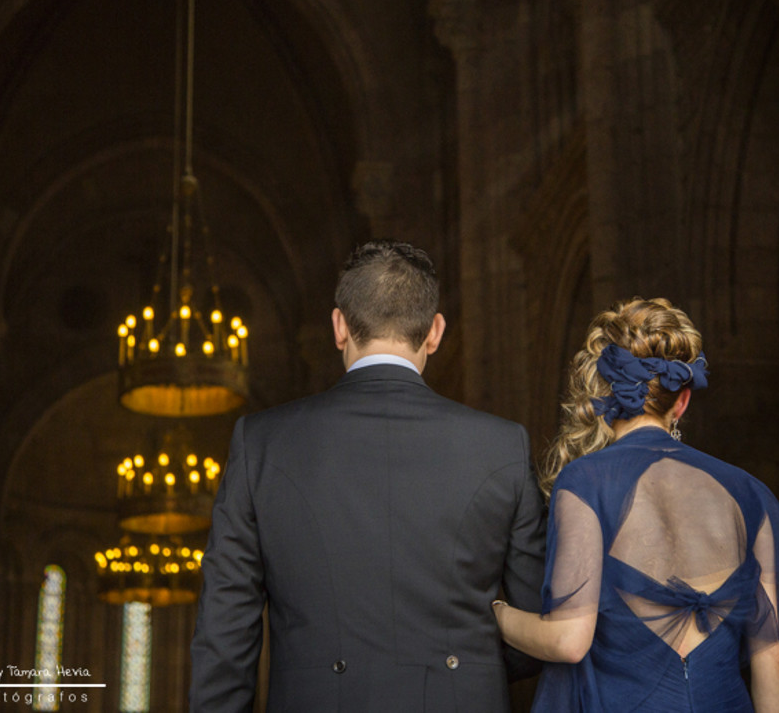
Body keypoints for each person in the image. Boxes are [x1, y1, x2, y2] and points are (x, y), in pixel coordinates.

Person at [190, 239, 546, 712]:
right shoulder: (502, 445)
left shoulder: (261, 442)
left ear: (339, 327)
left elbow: (225, 634)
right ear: (435, 332)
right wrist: (459, 667)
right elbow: (537, 623)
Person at [492, 297, 779, 712]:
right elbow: (774, 660)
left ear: (606, 390)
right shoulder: (748, 492)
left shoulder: (587, 481)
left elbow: (569, 641)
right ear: (682, 401)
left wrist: (497, 614)